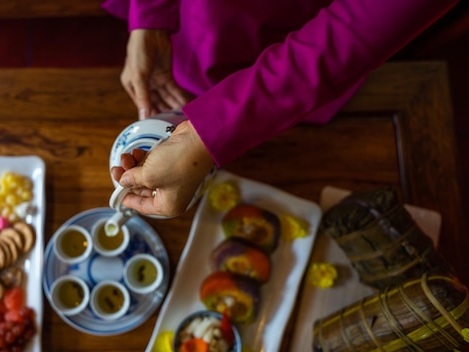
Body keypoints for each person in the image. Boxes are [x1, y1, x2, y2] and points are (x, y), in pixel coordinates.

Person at [104, 0, 459, 217]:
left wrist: (210, 134)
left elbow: (356, 27)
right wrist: (152, 15)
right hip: (194, 24)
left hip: (297, 36)